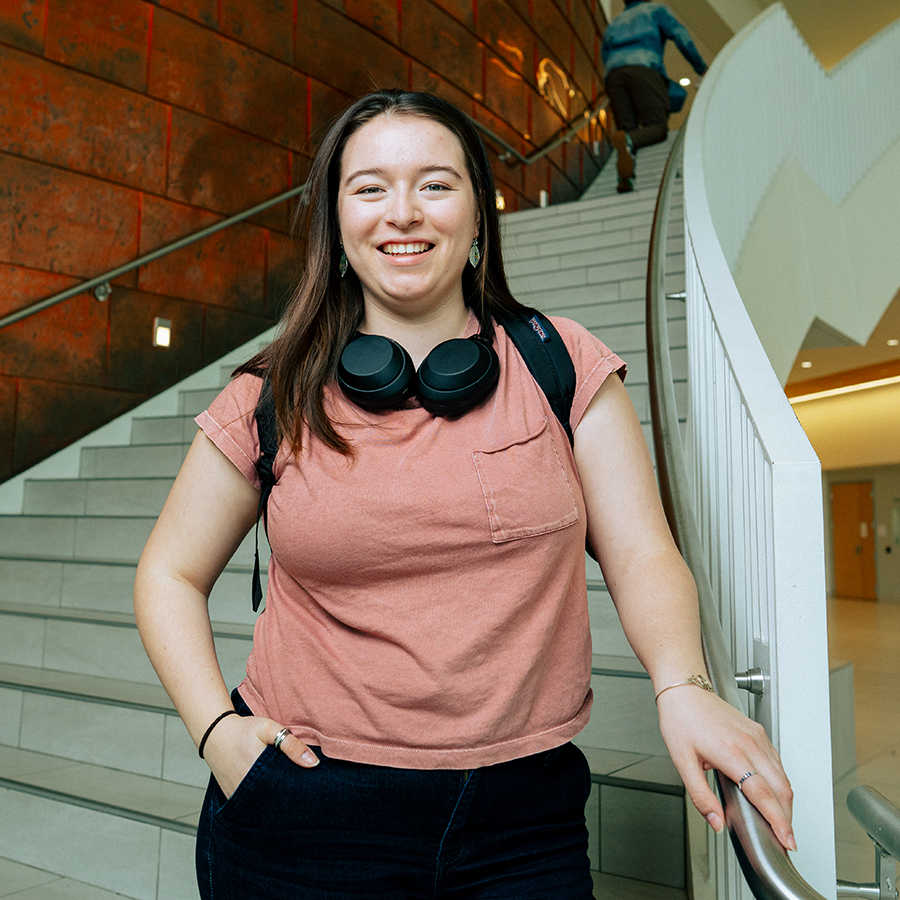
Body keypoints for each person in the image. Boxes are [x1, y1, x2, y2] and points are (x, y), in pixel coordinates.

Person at [134, 89, 794, 900]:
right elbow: (168, 573)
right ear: (336, 223)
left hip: (522, 820)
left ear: (480, 215)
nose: (402, 213)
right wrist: (218, 734)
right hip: (304, 808)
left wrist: (684, 689)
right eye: (370, 188)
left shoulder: (561, 364)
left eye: (436, 185)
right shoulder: (272, 392)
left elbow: (643, 551)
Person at [602, 0, 708, 192]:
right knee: (657, 128)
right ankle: (627, 144)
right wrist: (701, 68)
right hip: (643, 69)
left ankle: (626, 179)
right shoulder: (655, 10)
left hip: (614, 76)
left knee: (628, 129)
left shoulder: (615, 22)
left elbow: (604, 55)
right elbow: (680, 35)